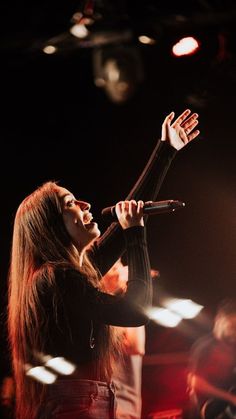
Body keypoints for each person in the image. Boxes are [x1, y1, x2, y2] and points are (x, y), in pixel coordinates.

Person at [7, 109, 200, 419]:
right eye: (70, 204)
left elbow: (127, 214)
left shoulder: (70, 273)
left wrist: (166, 150)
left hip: (85, 404)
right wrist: (136, 234)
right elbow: (136, 312)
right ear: (51, 228)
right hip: (75, 408)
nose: (85, 205)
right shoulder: (56, 277)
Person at [102, 258, 159, 419]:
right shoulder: (100, 308)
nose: (117, 270)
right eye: (112, 266)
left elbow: (135, 346)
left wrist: (132, 291)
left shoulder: (120, 308)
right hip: (108, 407)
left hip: (123, 408)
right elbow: (135, 346)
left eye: (117, 265)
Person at [187, 299, 236, 419]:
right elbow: (196, 383)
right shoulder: (205, 346)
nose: (234, 331)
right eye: (232, 326)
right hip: (213, 409)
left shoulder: (233, 347)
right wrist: (230, 398)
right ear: (219, 320)